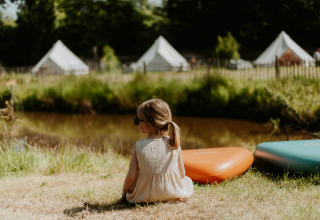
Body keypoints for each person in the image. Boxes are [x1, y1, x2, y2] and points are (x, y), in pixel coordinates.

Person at [122, 99, 194, 204]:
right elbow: (182, 174)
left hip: (143, 197)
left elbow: (131, 178)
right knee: (187, 181)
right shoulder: (174, 143)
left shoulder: (139, 146)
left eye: (137, 120)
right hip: (172, 194)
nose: (136, 123)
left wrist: (124, 194)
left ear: (148, 125)